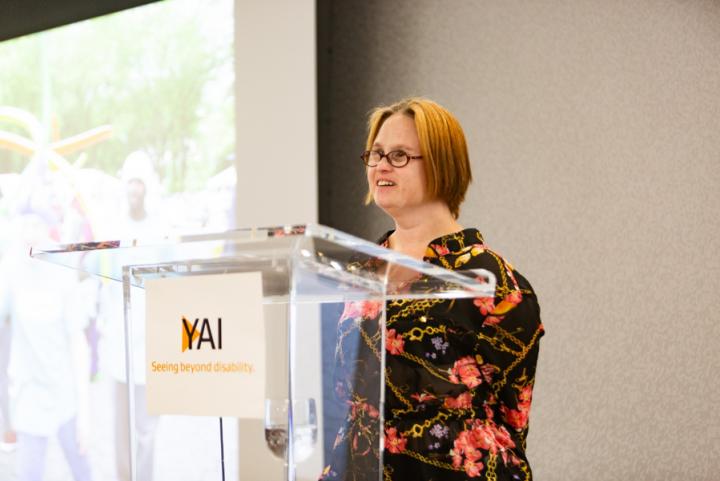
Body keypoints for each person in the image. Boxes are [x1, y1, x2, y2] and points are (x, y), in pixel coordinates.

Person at [322, 98, 544, 480]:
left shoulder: (494, 282)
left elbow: (512, 418)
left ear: (442, 163)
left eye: (400, 155)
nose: (382, 166)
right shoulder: (357, 273)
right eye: (375, 154)